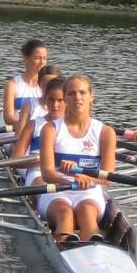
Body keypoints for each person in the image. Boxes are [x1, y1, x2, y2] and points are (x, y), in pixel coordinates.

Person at [37, 75, 117, 245]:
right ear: (65, 98)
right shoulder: (50, 129)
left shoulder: (106, 132)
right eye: (72, 93)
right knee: (65, 213)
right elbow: (46, 173)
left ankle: (93, 248)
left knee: (87, 212)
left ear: (91, 96)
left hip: (89, 192)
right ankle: (67, 245)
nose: (77, 98)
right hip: (58, 190)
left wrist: (88, 179)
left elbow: (108, 177)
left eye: (82, 92)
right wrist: (68, 177)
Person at [10, 75, 66, 188]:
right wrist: (46, 160)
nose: (55, 105)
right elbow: (15, 160)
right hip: (38, 172)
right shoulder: (33, 124)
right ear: (45, 99)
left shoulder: (76, 126)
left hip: (67, 172)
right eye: (51, 99)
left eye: (60, 100)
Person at [2, 39, 48, 128]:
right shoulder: (12, 85)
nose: (42, 62)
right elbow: (8, 118)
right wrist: (29, 127)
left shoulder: (48, 84)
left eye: (44, 58)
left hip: (42, 131)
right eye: (37, 58)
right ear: (26, 58)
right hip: (18, 131)